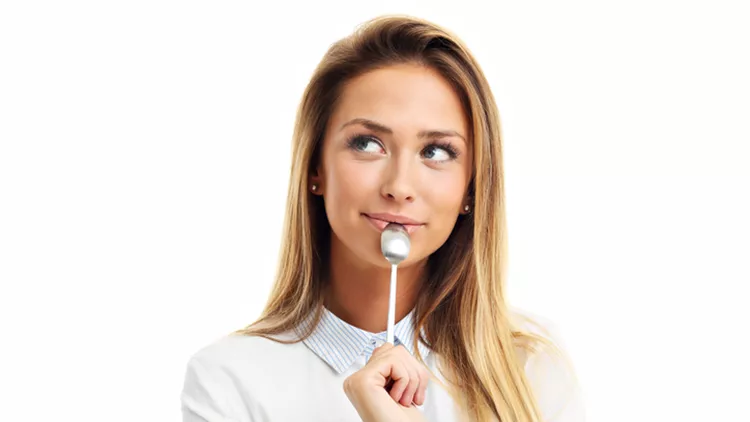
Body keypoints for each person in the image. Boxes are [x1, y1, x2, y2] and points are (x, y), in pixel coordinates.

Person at [180, 14, 585, 422]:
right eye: (368, 143)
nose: (399, 185)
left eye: (437, 151)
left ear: (471, 189)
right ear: (315, 169)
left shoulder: (530, 367)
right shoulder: (229, 381)